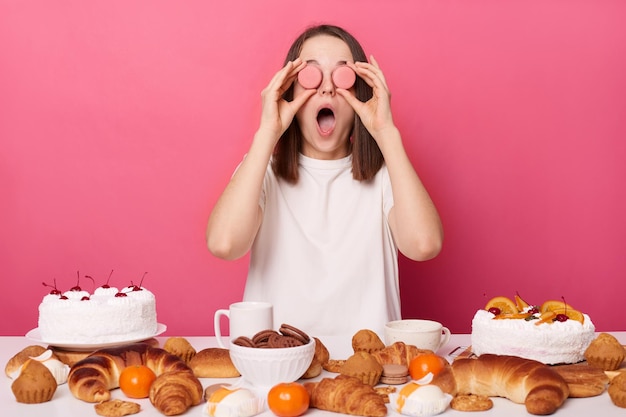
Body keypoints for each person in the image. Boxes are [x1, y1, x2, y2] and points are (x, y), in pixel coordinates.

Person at [206, 24, 443, 338]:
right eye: (311, 76)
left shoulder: (386, 176)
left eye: (343, 76)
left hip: (368, 372)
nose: (328, 89)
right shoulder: (262, 171)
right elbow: (224, 244)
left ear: (360, 93)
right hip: (277, 367)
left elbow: (424, 245)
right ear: (289, 91)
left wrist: (386, 133)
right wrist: (267, 132)